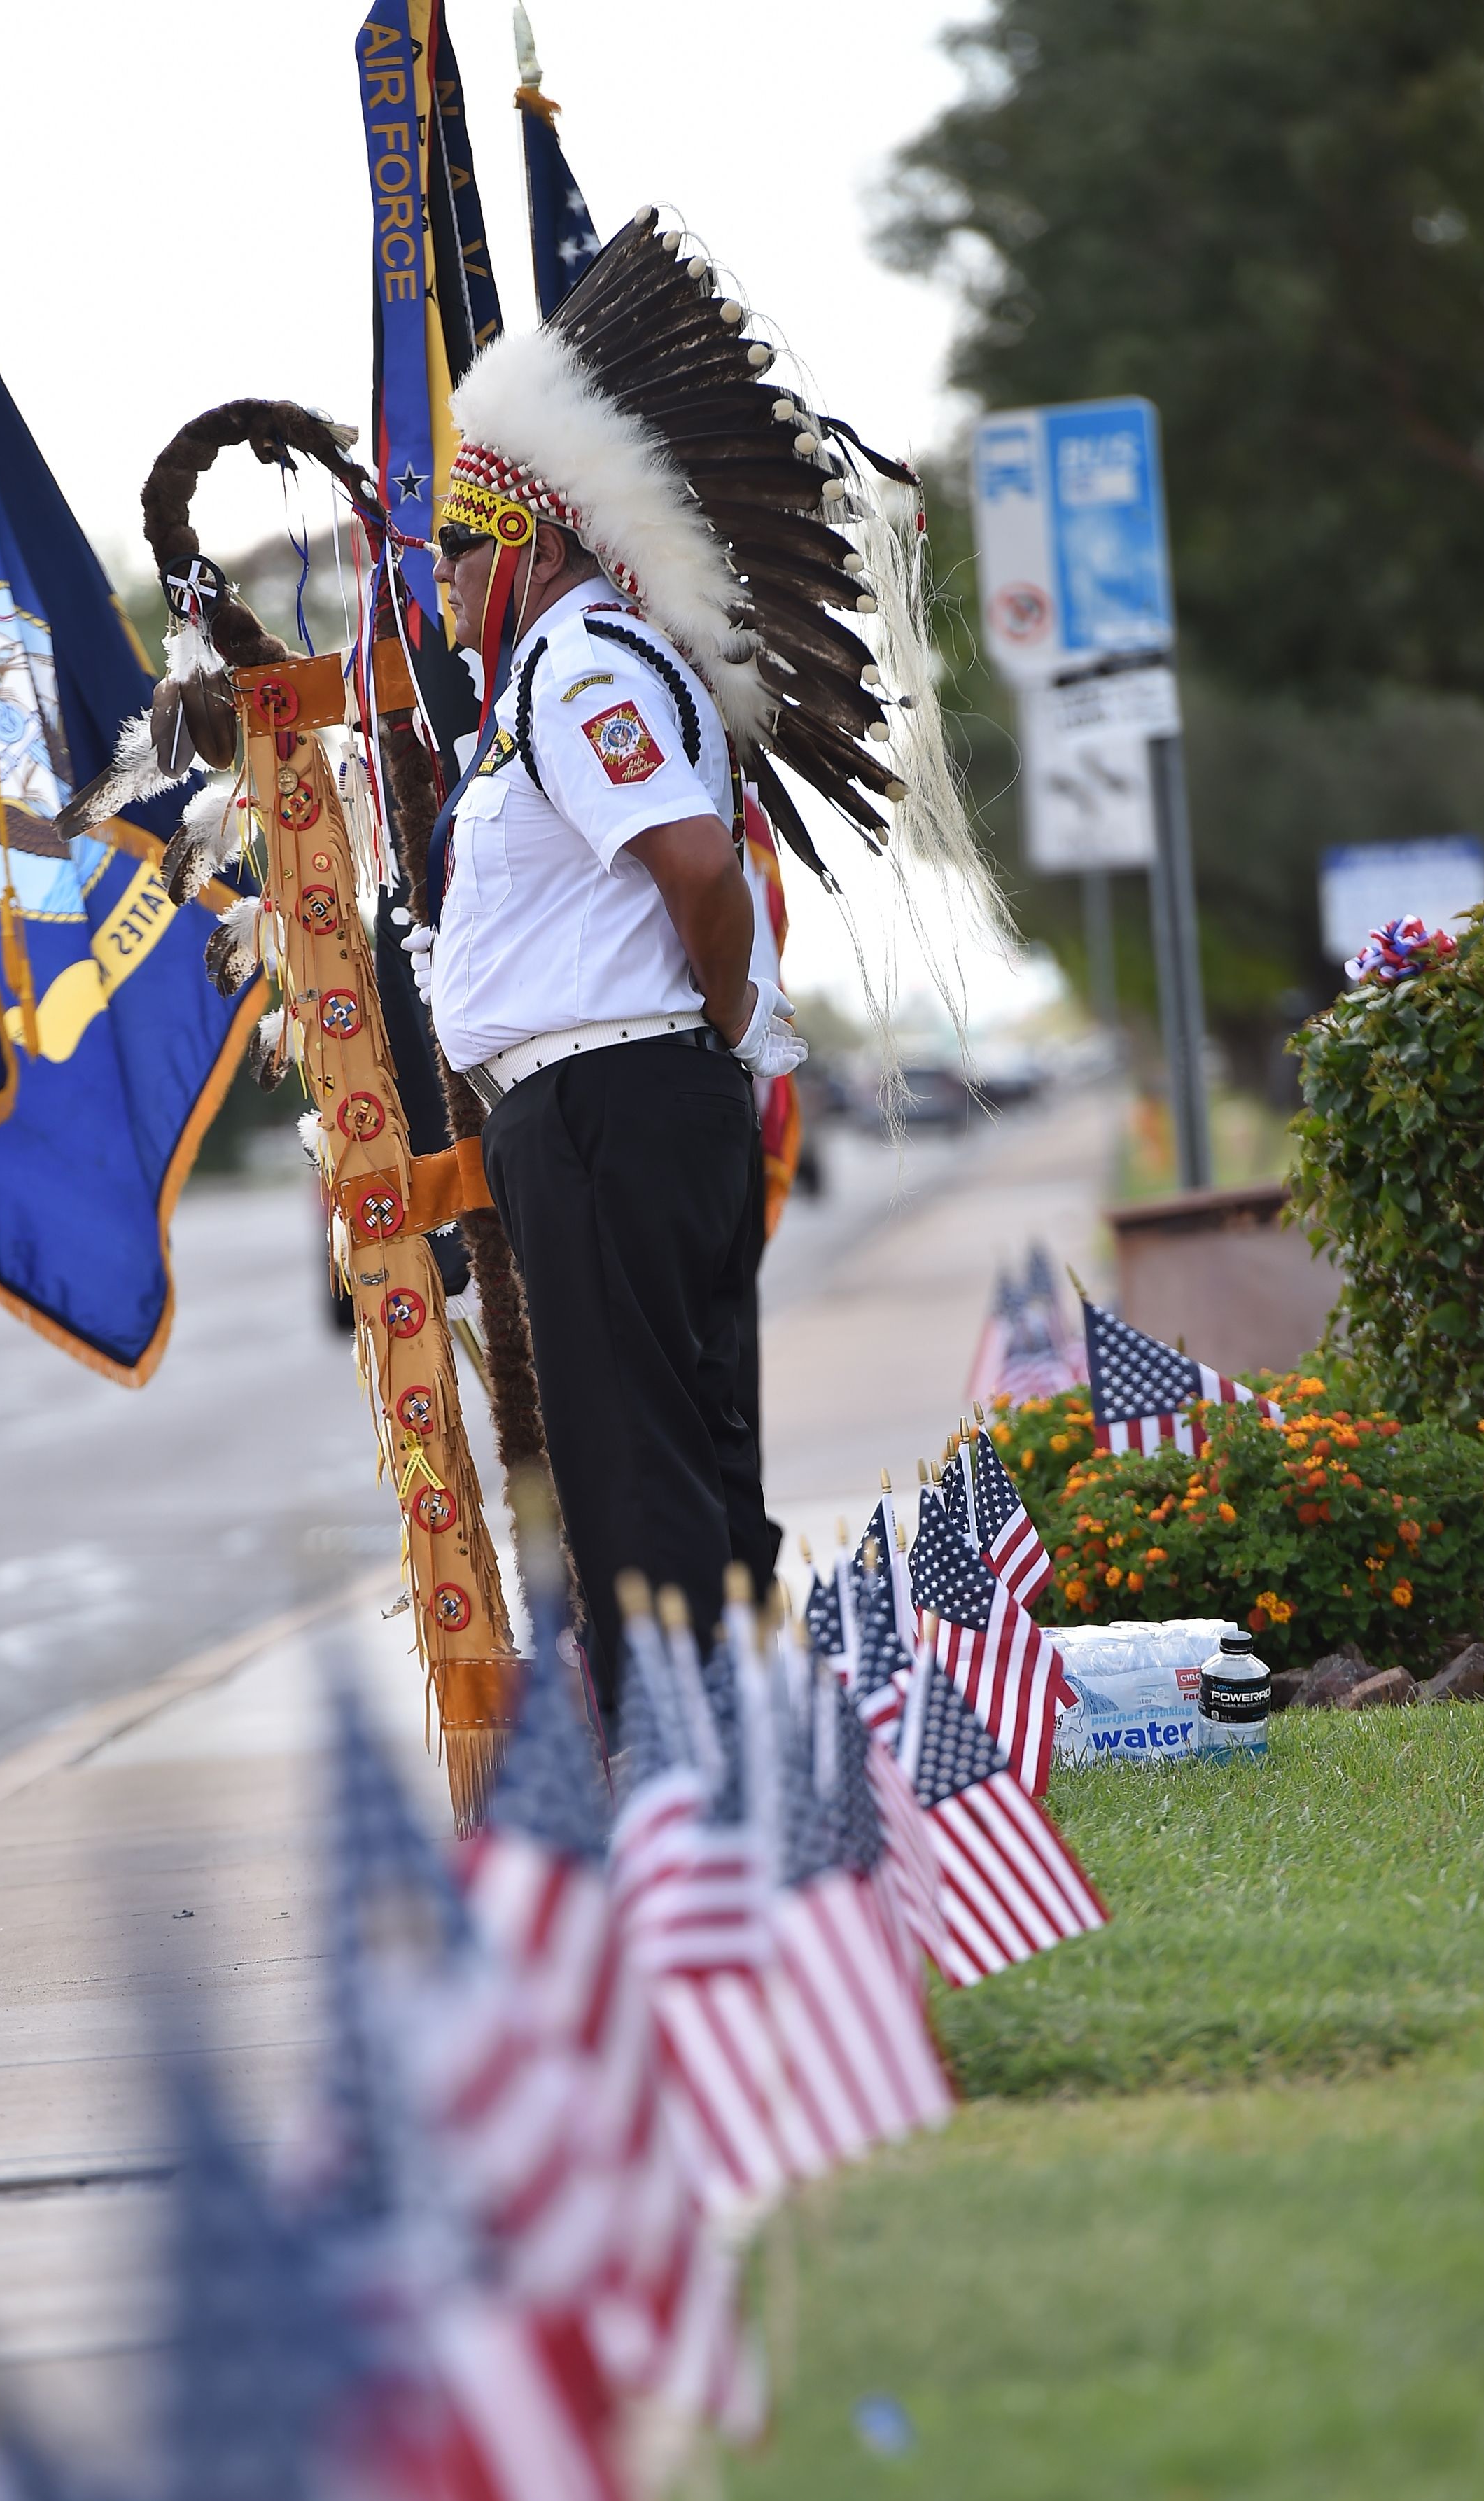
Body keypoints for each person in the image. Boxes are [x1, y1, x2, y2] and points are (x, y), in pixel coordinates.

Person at [399, 210, 919, 1708]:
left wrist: (711, 1010)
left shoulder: (574, 660)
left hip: (614, 1104)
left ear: (534, 534)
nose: (436, 578)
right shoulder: (562, 674)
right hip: (622, 1103)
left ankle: (679, 1769)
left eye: (453, 541)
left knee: (632, 1455)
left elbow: (692, 865)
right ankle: (725, 1735)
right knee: (674, 1440)